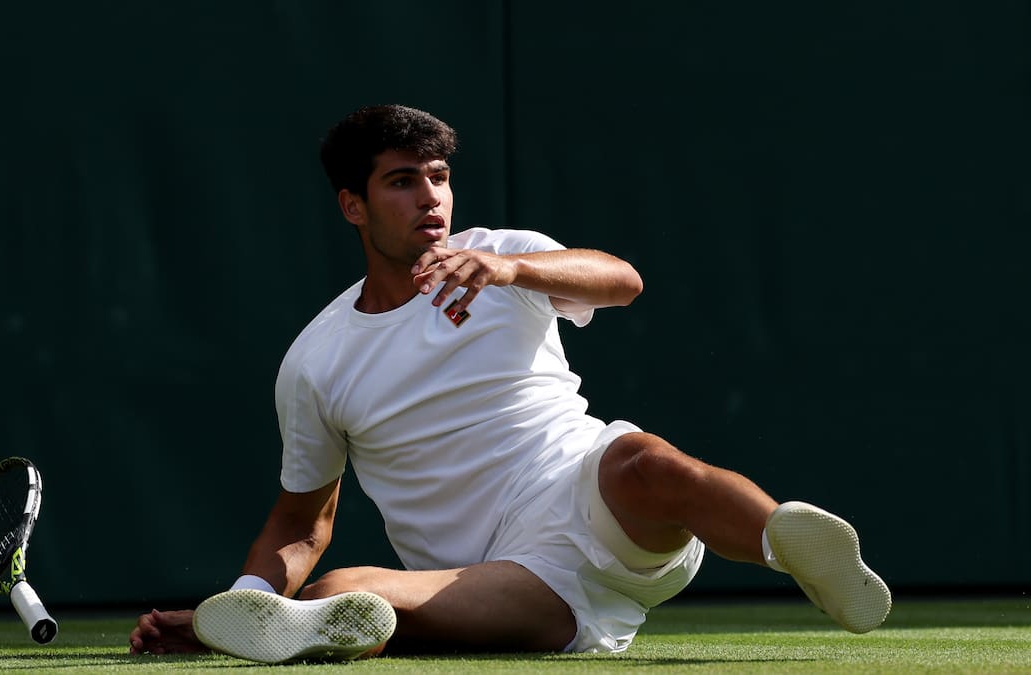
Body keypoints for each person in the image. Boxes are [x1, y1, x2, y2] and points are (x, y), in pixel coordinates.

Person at [129, 104, 891, 662]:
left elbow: (621, 281)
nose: (431, 196)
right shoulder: (317, 359)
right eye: (402, 181)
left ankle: (791, 549)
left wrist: (512, 269)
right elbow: (302, 522)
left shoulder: (506, 256)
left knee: (647, 461)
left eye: (439, 177)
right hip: (503, 578)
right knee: (342, 588)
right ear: (352, 206)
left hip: (594, 495)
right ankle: (272, 637)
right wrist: (242, 607)